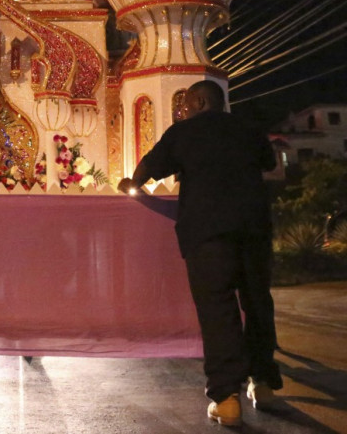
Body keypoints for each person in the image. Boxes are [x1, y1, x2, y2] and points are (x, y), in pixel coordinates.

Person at [118, 80, 282, 427]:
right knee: (257, 301)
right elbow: (268, 163)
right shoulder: (248, 128)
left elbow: (148, 168)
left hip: (207, 233)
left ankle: (226, 398)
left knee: (218, 310)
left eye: (188, 105)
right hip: (253, 228)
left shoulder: (183, 133)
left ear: (201, 102)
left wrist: (131, 183)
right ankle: (263, 383)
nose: (184, 110)